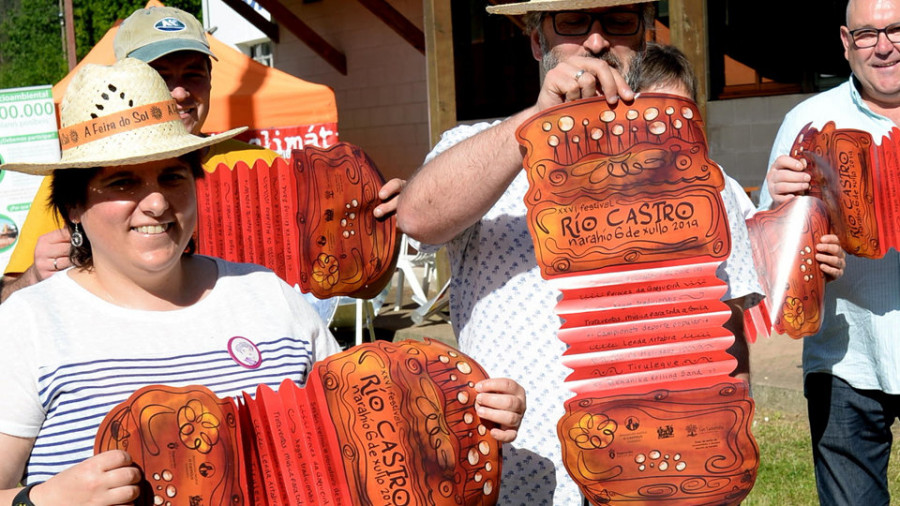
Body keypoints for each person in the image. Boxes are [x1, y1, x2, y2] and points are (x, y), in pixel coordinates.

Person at [0, 59, 526, 505]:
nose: (156, 202)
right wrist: (37, 500)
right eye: (122, 182)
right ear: (73, 204)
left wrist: (466, 414)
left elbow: (358, 429)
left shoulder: (266, 294)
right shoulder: (31, 323)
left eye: (173, 176)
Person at [397, 2, 764, 502]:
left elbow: (724, 335)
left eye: (617, 22)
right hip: (520, 483)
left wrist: (722, 461)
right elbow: (418, 216)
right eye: (571, 23)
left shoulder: (694, 174)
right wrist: (540, 119)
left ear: (642, 35)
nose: (595, 42)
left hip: (653, 480)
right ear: (536, 41)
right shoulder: (482, 148)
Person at [0, 6, 403, 302]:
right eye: (160, 74)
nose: (179, 91)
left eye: (194, 73)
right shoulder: (81, 177)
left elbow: (350, 278)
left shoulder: (261, 167)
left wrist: (381, 225)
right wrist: (33, 276)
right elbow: (8, 299)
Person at [758, 0, 900, 503]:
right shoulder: (809, 119)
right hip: (847, 360)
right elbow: (768, 262)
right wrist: (780, 206)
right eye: (867, 34)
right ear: (845, 42)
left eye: (896, 30)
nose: (884, 47)